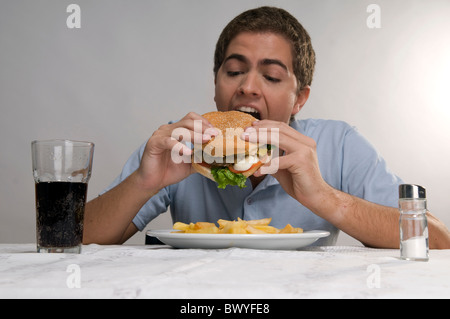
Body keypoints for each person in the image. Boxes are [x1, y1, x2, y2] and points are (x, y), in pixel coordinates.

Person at [83, 6, 450, 248]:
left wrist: (324, 198)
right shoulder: (177, 145)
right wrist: (143, 183)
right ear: (216, 85)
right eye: (234, 71)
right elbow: (72, 239)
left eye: (271, 75)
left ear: (300, 99)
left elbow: (436, 239)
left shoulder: (338, 143)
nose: (247, 87)